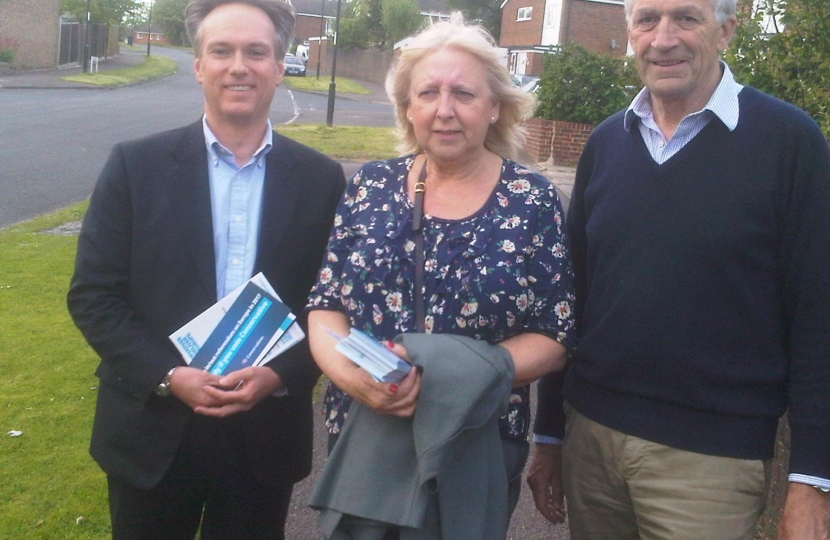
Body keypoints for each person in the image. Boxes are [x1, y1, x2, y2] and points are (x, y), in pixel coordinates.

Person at [527, 0, 830, 536]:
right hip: (592, 440)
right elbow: (572, 301)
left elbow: (818, 317)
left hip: (710, 464)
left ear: (726, 31)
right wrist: (550, 434)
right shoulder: (605, 144)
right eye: (647, 20)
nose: (663, 38)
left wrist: (813, 479)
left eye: (686, 18)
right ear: (630, 34)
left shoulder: (791, 144)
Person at [66, 0, 345, 538]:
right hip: (152, 431)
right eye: (221, 50)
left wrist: (280, 375)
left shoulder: (321, 179)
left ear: (278, 66)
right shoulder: (135, 165)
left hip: (264, 436)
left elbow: (327, 306)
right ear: (198, 66)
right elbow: (94, 296)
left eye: (256, 52)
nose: (238, 66)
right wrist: (169, 377)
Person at [304, 13, 576, 539]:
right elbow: (326, 303)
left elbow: (556, 335)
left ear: (495, 106)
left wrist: (447, 378)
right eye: (428, 92)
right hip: (365, 433)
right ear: (409, 106)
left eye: (464, 94)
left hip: (476, 441)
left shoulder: (532, 199)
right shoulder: (371, 186)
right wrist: (350, 378)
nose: (444, 110)